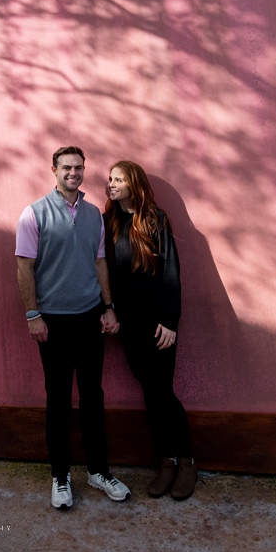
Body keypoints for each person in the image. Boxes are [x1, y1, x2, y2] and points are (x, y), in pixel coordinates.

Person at [15, 145, 131, 510]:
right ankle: (60, 476)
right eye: (66, 167)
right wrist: (33, 314)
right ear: (54, 170)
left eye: (79, 168)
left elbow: (100, 263)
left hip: (89, 317)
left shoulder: (95, 214)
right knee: (59, 400)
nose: (73, 173)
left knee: (93, 397)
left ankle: (98, 471)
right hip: (52, 322)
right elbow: (23, 267)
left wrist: (109, 307)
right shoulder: (33, 214)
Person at [104, 160, 196, 500]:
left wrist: (171, 321)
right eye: (109, 179)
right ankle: (166, 460)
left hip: (159, 325)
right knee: (150, 393)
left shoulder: (156, 220)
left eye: (118, 179)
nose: (111, 184)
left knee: (163, 393)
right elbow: (105, 274)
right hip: (128, 325)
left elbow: (171, 273)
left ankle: (185, 461)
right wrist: (109, 311)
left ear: (134, 184)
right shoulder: (108, 223)